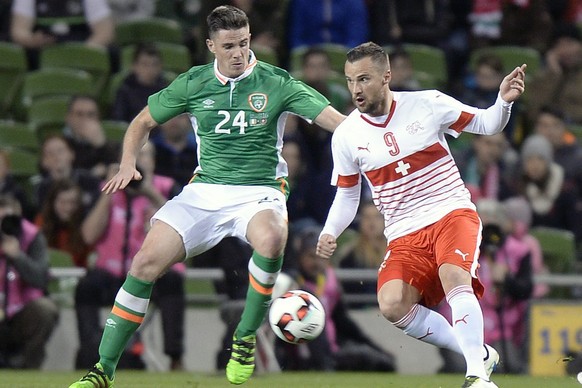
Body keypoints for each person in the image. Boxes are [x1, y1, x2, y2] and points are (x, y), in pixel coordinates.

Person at [68, 5, 345, 387]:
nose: (239, 54)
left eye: (244, 44)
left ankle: (245, 338)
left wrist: (369, 141)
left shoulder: (277, 83)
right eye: (229, 45)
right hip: (206, 191)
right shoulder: (194, 83)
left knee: (272, 238)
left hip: (260, 190)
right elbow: (142, 122)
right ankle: (103, 370)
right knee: (145, 264)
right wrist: (127, 162)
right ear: (211, 45)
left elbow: (336, 122)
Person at [316, 42, 526, 388]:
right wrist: (330, 231)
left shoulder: (428, 103)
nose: (356, 89)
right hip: (403, 233)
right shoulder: (346, 136)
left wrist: (503, 101)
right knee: (393, 304)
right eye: (351, 80)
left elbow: (487, 124)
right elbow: (348, 193)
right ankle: (479, 352)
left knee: (453, 275)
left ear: (386, 76)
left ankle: (477, 376)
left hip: (450, 213)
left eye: (364, 79)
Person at [73, 142, 185, 371]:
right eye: (134, 156)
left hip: (153, 273)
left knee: (173, 283)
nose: (140, 162)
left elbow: (186, 231)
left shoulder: (166, 187)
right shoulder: (105, 189)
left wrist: (150, 192)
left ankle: (175, 358)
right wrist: (110, 189)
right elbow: (87, 235)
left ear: (153, 162)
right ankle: (90, 352)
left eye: (145, 156)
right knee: (85, 287)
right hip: (111, 272)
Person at [275, 226, 396, 372]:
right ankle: (323, 366)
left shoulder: (330, 282)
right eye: (311, 257)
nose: (316, 263)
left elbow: (344, 322)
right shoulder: (291, 284)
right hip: (301, 355)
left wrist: (375, 347)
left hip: (332, 350)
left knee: (383, 362)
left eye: (321, 257)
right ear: (299, 258)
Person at [0, 194, 59, 369]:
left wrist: (18, 256)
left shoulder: (33, 237)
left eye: (9, 219)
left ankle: (29, 367)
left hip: (22, 310)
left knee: (45, 309)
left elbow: (40, 278)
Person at [9, 0, 115, 69]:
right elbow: (19, 31)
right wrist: (32, 40)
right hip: (42, 52)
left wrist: (81, 53)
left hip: (81, 51)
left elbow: (105, 31)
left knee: (111, 54)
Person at [35, 179, 93, 268]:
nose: (68, 208)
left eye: (72, 202)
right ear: (52, 202)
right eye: (62, 202)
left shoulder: (86, 227)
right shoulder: (41, 222)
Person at [63, 95, 121, 180]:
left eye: (90, 115)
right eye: (79, 114)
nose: (85, 119)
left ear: (98, 119)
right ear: (69, 118)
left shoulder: (112, 147)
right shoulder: (61, 146)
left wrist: (101, 145)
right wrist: (91, 174)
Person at [110, 43, 168, 123]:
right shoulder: (125, 91)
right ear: (135, 66)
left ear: (160, 67)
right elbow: (118, 120)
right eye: (145, 64)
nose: (150, 69)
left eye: (154, 64)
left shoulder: (165, 92)